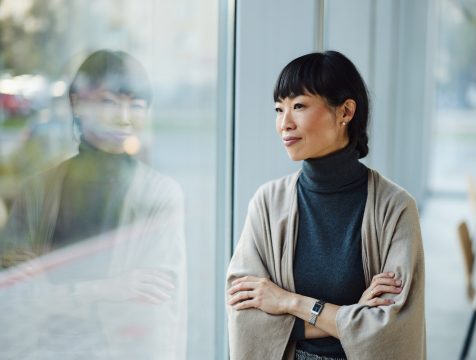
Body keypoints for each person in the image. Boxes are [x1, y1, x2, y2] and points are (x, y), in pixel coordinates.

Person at [227, 51, 425, 360]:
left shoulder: (395, 208)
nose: (284, 123)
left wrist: (287, 302)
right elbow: (246, 316)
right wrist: (352, 314)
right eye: (279, 109)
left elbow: (389, 328)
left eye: (299, 106)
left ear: (345, 111)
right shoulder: (267, 203)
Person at [0, 50, 186, 360]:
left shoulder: (159, 194)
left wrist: (54, 295)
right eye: (108, 102)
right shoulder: (38, 190)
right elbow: (13, 297)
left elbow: (158, 312)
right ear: (77, 103)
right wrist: (110, 289)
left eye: (136, 105)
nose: (123, 116)